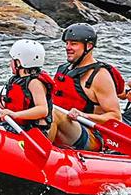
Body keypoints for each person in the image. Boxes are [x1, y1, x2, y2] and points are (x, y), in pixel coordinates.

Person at [48, 21, 125, 152]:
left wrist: (83, 115)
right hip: (64, 127)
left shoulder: (99, 76)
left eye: (74, 44)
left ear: (89, 46)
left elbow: (116, 117)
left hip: (91, 134)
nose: (68, 47)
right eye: (67, 43)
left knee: (54, 113)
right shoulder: (64, 69)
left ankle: (39, 154)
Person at [0, 39, 56, 135]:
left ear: (19, 62)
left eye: (12, 60)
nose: (10, 63)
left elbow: (42, 110)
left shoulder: (34, 82)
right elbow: (11, 105)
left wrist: (16, 115)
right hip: (17, 125)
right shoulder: (17, 80)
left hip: (32, 131)